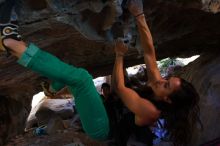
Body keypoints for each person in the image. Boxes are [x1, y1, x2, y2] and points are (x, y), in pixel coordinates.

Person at [112, 0, 200, 146]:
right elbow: (149, 53)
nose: (161, 80)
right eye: (167, 79)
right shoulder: (157, 86)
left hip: (128, 136)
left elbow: (119, 87)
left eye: (167, 85)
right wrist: (139, 15)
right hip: (123, 114)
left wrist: (119, 55)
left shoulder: (151, 110)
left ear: (167, 99)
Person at [0, 25, 109, 141]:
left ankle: (11, 43)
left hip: (104, 132)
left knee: (82, 79)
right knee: (76, 79)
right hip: (106, 124)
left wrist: (119, 56)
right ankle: (13, 47)